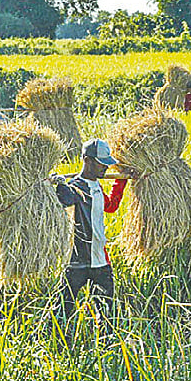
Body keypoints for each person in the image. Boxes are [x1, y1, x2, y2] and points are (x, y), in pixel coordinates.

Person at [53, 138, 129, 326]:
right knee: (62, 311)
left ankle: (106, 343)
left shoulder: (97, 187)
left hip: (101, 261)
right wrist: (60, 185)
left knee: (108, 315)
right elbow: (64, 201)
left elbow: (110, 206)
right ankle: (55, 339)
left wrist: (121, 180)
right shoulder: (75, 187)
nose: (105, 168)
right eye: (101, 163)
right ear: (87, 160)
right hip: (77, 261)